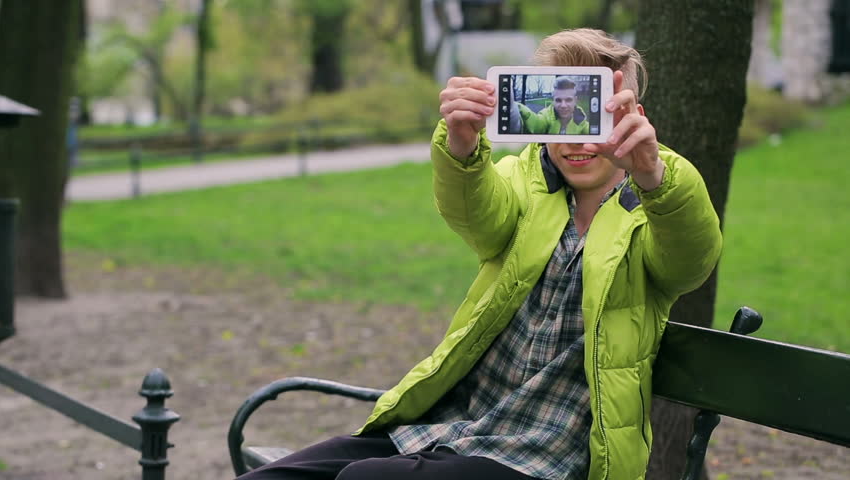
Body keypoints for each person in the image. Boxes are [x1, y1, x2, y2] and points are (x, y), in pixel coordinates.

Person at [237, 28, 722, 480]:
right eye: (560, 112)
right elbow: (480, 219)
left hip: (551, 454)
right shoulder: (525, 178)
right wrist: (463, 147)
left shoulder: (659, 190)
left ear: (627, 112)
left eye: (592, 113)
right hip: (457, 422)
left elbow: (690, 259)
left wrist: (653, 176)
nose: (575, 139)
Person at [512, 76, 590, 134]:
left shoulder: (582, 122)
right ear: (553, 101)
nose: (563, 105)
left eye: (568, 100)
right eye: (558, 100)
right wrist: (516, 107)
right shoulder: (546, 116)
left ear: (575, 100)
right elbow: (537, 125)